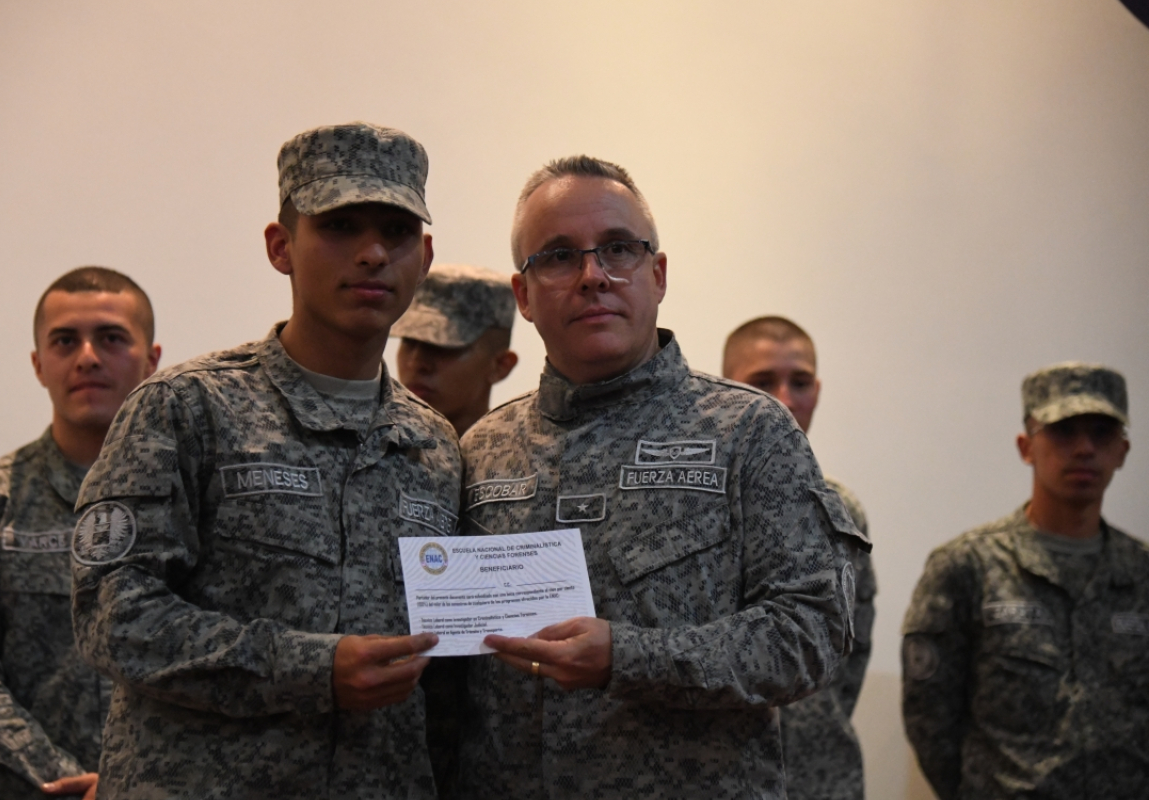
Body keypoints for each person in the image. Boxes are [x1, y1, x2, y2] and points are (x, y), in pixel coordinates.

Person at [455, 155, 868, 798]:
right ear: (523, 296)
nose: (593, 275)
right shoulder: (479, 453)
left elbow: (810, 634)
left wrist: (629, 657)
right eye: (559, 257)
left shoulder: (748, 433)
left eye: (618, 249)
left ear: (659, 273)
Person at [70, 122, 461, 799]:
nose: (372, 253)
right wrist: (310, 668)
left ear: (423, 256)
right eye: (340, 226)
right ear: (281, 247)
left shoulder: (435, 445)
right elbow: (112, 615)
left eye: (395, 232)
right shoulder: (186, 408)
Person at [0, 266, 162, 800]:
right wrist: (70, 786)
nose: (87, 356)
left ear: (152, 360)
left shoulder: (193, 505)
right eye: (65, 341)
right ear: (38, 364)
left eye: (112, 338)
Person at [903, 362, 1148, 799]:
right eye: (1063, 432)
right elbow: (930, 717)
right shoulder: (968, 566)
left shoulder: (1142, 574)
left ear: (1123, 452)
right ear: (1026, 446)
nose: (1084, 449)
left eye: (1101, 433)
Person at [722, 315, 876, 800]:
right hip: (722, 770)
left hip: (820, 775)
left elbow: (853, 649)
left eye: (801, 382)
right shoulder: (696, 505)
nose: (785, 399)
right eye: (763, 382)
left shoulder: (842, 510)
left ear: (819, 390)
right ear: (725, 389)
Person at [393, 263, 518, 436]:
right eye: (408, 341)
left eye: (442, 347)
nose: (416, 363)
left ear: (500, 366)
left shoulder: (519, 459)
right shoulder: (368, 448)